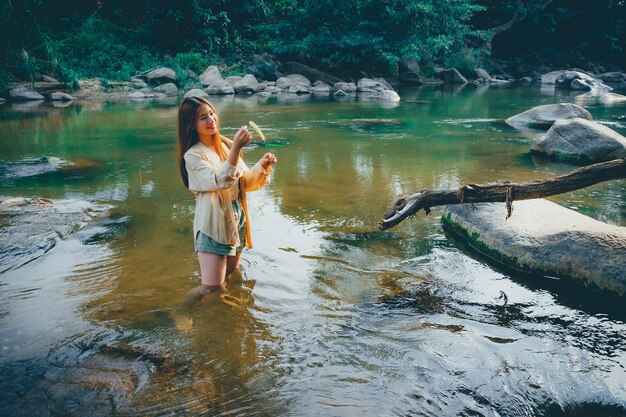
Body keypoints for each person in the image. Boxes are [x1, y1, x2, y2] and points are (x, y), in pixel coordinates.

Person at [177, 96, 277, 293]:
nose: (211, 120)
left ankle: (229, 314)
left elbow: (242, 182)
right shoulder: (193, 155)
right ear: (190, 125)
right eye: (203, 117)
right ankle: (181, 311)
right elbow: (220, 180)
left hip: (237, 217)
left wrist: (261, 167)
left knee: (230, 277)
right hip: (213, 222)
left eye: (212, 113)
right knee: (211, 288)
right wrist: (236, 149)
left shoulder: (224, 144)